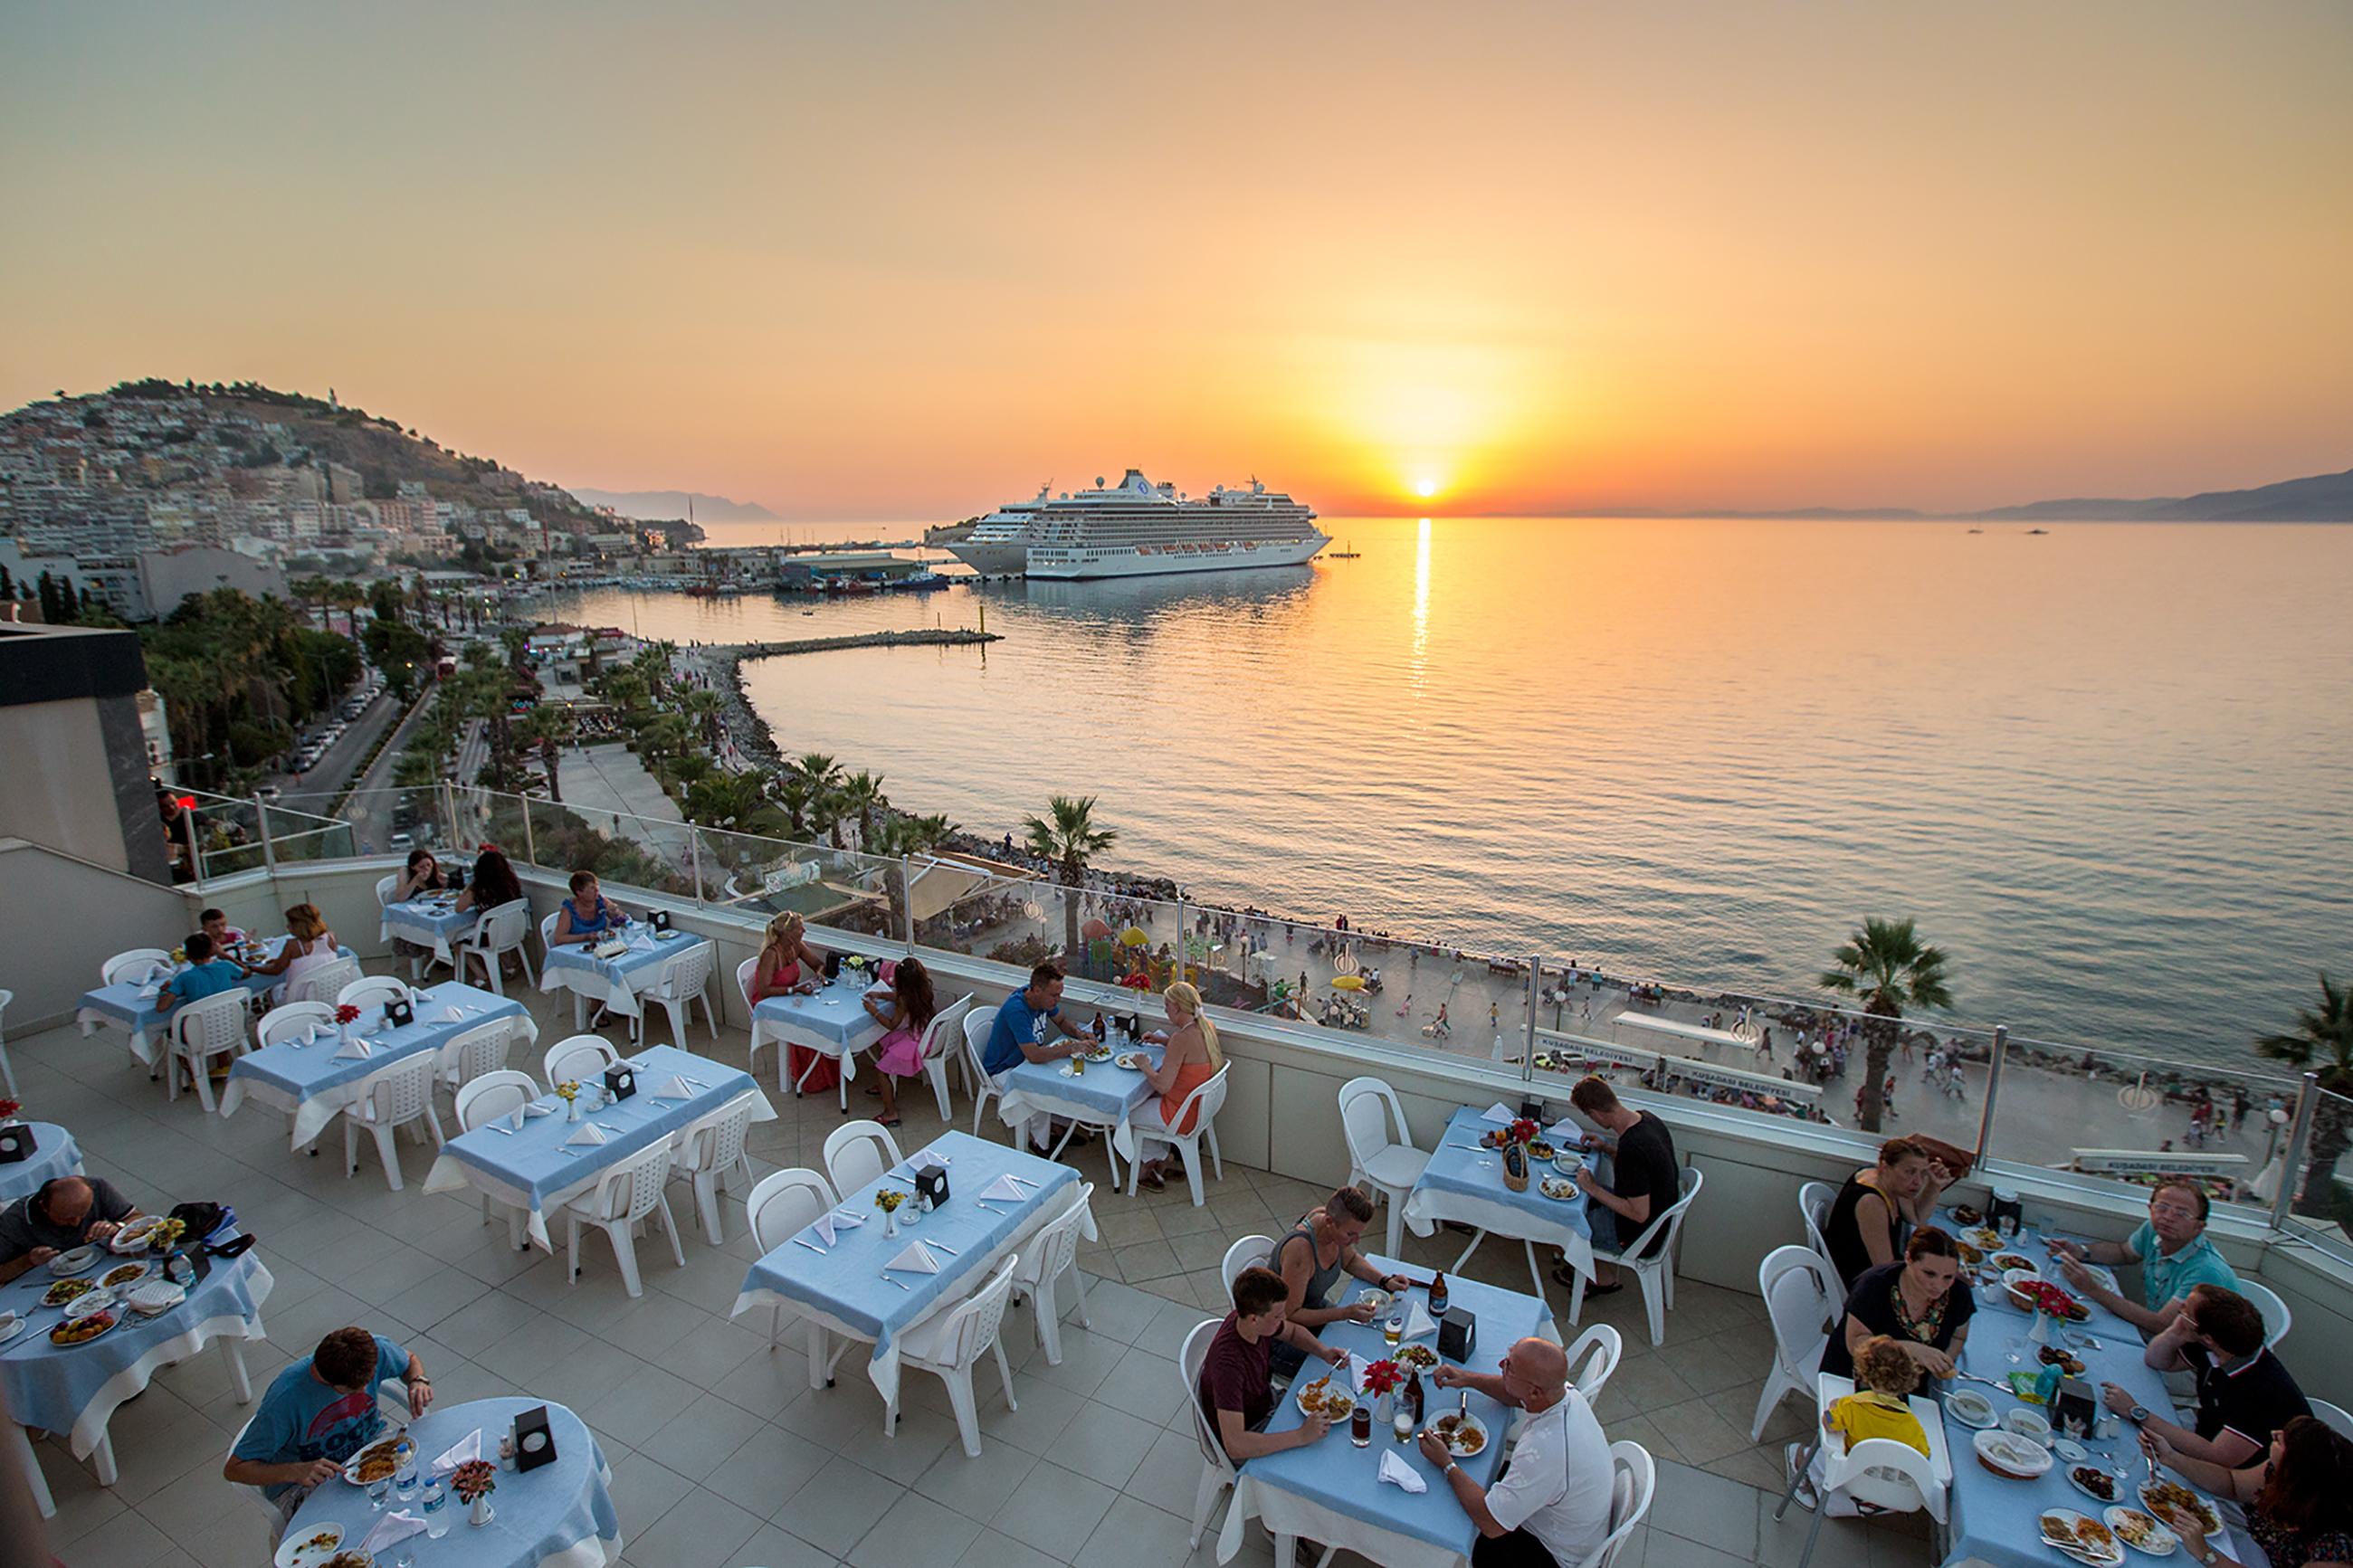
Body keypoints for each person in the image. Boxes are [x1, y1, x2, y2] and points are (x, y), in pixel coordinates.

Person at [1417, 1336, 1614, 1567]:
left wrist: (1447, 1464)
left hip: (1551, 1552)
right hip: (1563, 1518)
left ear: (1534, 1392)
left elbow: (1490, 1523)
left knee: (1452, 1527)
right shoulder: (1563, 1395)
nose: (1501, 1365)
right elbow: (1514, 1395)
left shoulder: (1545, 1450)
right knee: (1483, 1477)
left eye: (1509, 1367)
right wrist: (1467, 1379)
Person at [225, 1326, 432, 1528]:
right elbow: (235, 1469)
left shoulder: (373, 1350)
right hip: (305, 1481)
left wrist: (418, 1381)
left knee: (424, 1481)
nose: (363, 1391)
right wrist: (294, 1471)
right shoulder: (285, 1400)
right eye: (352, 1391)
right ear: (327, 1382)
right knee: (359, 1528)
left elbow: (409, 1361)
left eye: (367, 1382)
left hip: (368, 1450)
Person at [2104, 1284, 2310, 1470]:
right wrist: (2176, 1332)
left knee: (2122, 1458)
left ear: (2209, 1338)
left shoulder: (2263, 1391)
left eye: (2186, 1310)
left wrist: (2135, 1411)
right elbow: (2156, 1360)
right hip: (2202, 1431)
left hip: (2238, 1481)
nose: (2180, 1309)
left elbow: (2217, 1456)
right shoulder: (2220, 1347)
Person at [2137, 1416, 2353, 1568]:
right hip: (2244, 1546)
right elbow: (2232, 1484)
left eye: (2282, 1440)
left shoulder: (2334, 1547)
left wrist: (2207, 1554)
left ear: (2298, 1470)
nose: (2274, 1433)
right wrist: (2172, 1458)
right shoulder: (2277, 1471)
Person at [2048, 1179, 2238, 1335]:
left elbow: (2162, 1324)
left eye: (2182, 1214)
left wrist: (2092, 1289)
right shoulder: (2154, 1230)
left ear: (2199, 1227)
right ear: (2150, 1209)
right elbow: (2125, 1253)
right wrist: (2081, 1252)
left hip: (2193, 1359)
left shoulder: (2205, 1271)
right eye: (2162, 1207)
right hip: (2155, 1335)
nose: (2168, 1217)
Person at [1196, 1267, 1346, 1462]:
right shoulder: (1228, 1366)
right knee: (1318, 1456)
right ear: (1254, 1319)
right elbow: (1235, 1445)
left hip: (1266, 1401)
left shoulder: (1250, 1323)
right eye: (1277, 1316)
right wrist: (1301, 1435)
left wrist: (1323, 1351)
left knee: (1332, 1428)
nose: (1283, 1319)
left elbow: (1292, 1332)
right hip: (1250, 1431)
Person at [1262, 1186, 1414, 1377]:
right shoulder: (1300, 1251)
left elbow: (1350, 1260)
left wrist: (1385, 1281)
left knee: (1362, 1340)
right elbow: (1291, 1314)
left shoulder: (1330, 1224)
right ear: (1329, 1222)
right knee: (1345, 1370)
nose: (1356, 1240)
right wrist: (1344, 1313)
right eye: (1351, 1234)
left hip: (1314, 1312)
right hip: (1281, 1337)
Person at [1555, 1076, 1679, 1294]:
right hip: (1661, 1220)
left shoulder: (1632, 1148)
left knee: (1566, 1219)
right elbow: (1642, 1169)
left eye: (1588, 1115)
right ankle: (1590, 1266)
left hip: (1640, 1235)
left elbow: (1639, 1213)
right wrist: (1606, 1148)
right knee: (1586, 1203)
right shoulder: (1647, 1119)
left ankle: (1599, 1277)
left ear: (1595, 1113)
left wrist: (1593, 1187)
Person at [1788, 1334, 1934, 1511]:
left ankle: (1801, 1462)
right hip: (1884, 1487)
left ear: (1865, 1373)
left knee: (1829, 1449)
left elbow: (1829, 1423)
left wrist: (1832, 1407)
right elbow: (1924, 1455)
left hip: (1849, 1473)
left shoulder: (1851, 1405)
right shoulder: (1911, 1423)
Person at [1819, 1227, 1974, 1382]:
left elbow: (1959, 1336)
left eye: (1948, 1277)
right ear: (1908, 1259)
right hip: (1857, 1375)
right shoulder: (1873, 1285)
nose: (1939, 1285)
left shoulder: (1959, 1294)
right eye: (1929, 1274)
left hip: (1912, 1381)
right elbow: (1856, 1344)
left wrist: (1945, 1360)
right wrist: (1910, 1349)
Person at [982, 963, 1100, 1155]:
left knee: (1065, 1077)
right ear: (1036, 990)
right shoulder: (1017, 1010)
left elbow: (1061, 1021)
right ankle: (1039, 1143)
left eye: (1059, 994)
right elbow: (1035, 1055)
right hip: (1003, 1068)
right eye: (1054, 995)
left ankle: (1058, 1127)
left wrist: (1080, 1035)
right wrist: (1073, 1048)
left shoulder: (1042, 1001)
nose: (1058, 999)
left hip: (1025, 1061)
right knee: (1041, 1087)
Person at [1823, 1137, 1954, 1289]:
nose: (1918, 1181)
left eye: (1923, 1173)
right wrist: (1938, 1271)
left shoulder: (1892, 1184)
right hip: (1857, 1281)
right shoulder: (1872, 1203)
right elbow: (1885, 1268)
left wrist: (1934, 1185)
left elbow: (1917, 1217)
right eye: (1910, 1172)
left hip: (1877, 1271)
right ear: (1885, 1167)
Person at [1132, 980, 1222, 1192]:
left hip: (1179, 1116)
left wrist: (1144, 1066)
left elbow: (1163, 1086)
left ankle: (1148, 1165)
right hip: (1200, 1111)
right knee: (1144, 1101)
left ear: (1178, 1008)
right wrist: (1162, 1041)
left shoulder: (1180, 1039)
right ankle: (1161, 1158)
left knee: (1124, 1112)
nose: (1165, 1012)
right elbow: (1190, 1051)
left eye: (1167, 1008)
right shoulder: (1207, 1027)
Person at [0, 1176, 144, 1283]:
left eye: (83, 1215)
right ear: (44, 1207)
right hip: (48, 1282)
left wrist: (118, 1227)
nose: (76, 1223)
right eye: (66, 1218)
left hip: (105, 1267)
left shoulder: (98, 1187)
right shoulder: (12, 1222)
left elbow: (138, 1218)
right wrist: (28, 1261)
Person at [753, 912, 835, 1092]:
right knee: (805, 1026)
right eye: (800, 928)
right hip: (769, 1004)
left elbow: (818, 964)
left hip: (790, 998)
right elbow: (764, 990)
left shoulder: (796, 946)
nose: (804, 931)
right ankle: (807, 1076)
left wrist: (820, 973)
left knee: (816, 1019)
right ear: (788, 933)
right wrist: (794, 990)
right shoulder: (771, 955)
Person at [862, 956, 938, 1128]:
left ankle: (890, 1113)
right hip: (926, 1035)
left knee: (880, 1070)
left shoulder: (904, 1000)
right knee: (880, 1040)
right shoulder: (924, 989)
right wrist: (881, 995)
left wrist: (873, 1012)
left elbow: (890, 1025)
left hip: (913, 1043)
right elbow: (900, 997)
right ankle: (886, 1084)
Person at [245, 904, 341, 1001]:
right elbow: (314, 959)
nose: (287, 926)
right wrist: (280, 960)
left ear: (299, 925)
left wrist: (252, 968)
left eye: (290, 923)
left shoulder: (293, 945)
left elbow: (276, 971)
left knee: (273, 989)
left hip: (299, 998)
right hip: (327, 991)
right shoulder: (330, 938)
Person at [155, 931, 244, 1012]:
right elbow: (247, 971)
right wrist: (226, 956)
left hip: (200, 1026)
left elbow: (161, 1007)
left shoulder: (183, 978)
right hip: (231, 1019)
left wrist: (164, 991)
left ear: (188, 956)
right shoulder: (226, 966)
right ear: (212, 952)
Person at [549, 870, 630, 946]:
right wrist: (585, 937)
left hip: (600, 947)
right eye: (592, 888)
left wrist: (615, 912)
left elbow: (621, 919)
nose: (597, 890)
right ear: (579, 892)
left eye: (597, 886)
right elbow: (559, 939)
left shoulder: (601, 901)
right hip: (575, 951)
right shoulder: (568, 910)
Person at [453, 845, 523, 914]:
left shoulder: (479, 890)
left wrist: (470, 886)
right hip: (514, 923)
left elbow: (458, 909)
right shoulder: (512, 884)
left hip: (493, 924)